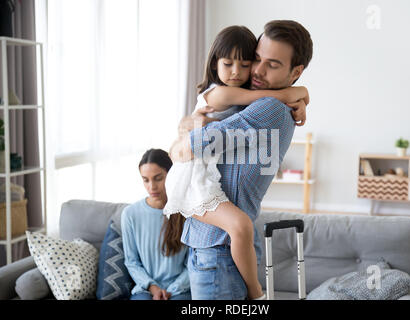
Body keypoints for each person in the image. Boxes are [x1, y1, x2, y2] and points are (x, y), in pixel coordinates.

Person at [170, 20, 313, 300]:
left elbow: (193, 146)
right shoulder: (258, 100)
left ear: (296, 71)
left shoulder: (270, 108)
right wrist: (301, 93)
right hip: (215, 248)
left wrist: (182, 139)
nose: (257, 70)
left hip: (219, 252)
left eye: (272, 64)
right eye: (257, 59)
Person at [121, 149, 191, 300]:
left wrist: (172, 290)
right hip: (145, 290)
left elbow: (192, 263)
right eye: (145, 180)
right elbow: (132, 262)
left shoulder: (187, 212)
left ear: (171, 175)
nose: (151, 187)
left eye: (158, 178)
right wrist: (153, 288)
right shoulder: (130, 214)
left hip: (180, 291)